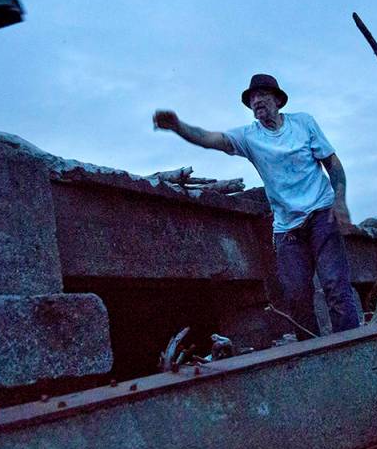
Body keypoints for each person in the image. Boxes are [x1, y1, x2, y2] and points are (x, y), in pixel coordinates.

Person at [153, 73, 361, 338]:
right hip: (287, 227)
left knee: (335, 286)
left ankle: (352, 344)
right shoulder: (250, 137)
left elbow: (332, 163)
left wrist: (340, 202)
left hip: (322, 213)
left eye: (262, 95)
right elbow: (211, 138)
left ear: (277, 100)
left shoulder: (304, 123)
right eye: (252, 98)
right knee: (296, 294)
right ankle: (315, 354)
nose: (257, 101)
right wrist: (178, 126)